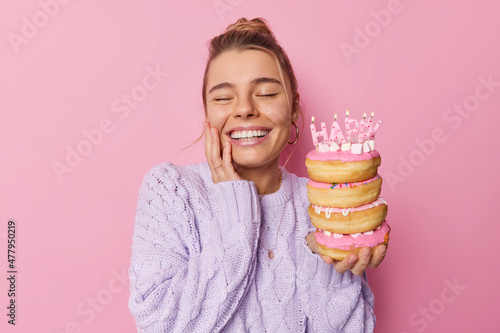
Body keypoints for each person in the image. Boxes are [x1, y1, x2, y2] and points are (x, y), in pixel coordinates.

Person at [128, 17, 387, 332]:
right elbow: (159, 326)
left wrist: (325, 259)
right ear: (207, 114)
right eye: (223, 97)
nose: (245, 109)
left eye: (265, 93)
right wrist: (237, 210)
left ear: (293, 109)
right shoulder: (171, 190)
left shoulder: (328, 203)